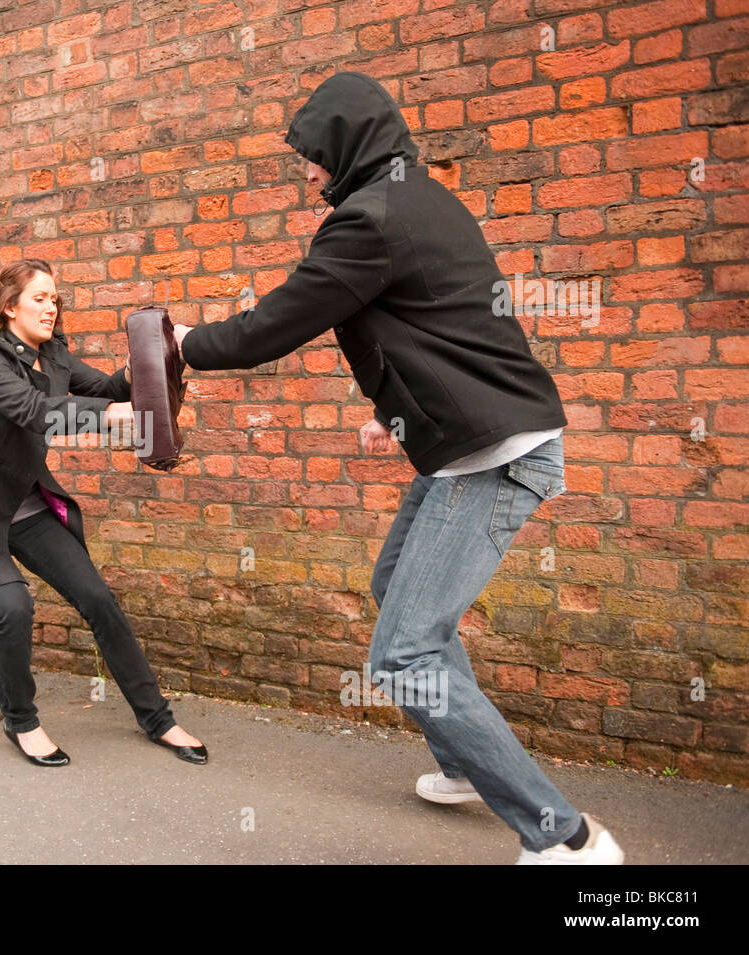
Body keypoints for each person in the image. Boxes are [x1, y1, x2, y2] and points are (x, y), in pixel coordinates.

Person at [174, 72, 622, 862]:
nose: (308, 173)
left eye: (313, 158)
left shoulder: (367, 220)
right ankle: (465, 762)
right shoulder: (418, 196)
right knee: (396, 596)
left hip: (494, 457)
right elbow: (436, 319)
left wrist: (185, 343)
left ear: (345, 147)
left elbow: (271, 326)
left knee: (403, 650)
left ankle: (569, 839)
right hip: (467, 442)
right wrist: (400, 412)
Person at [0, 259, 207, 766]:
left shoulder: (55, 355)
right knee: (14, 608)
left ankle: (159, 719)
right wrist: (119, 415)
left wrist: (147, 368)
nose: (52, 307)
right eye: (40, 298)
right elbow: (34, 411)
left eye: (55, 299)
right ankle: (21, 722)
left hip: (23, 498)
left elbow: (108, 390)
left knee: (97, 598)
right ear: (9, 305)